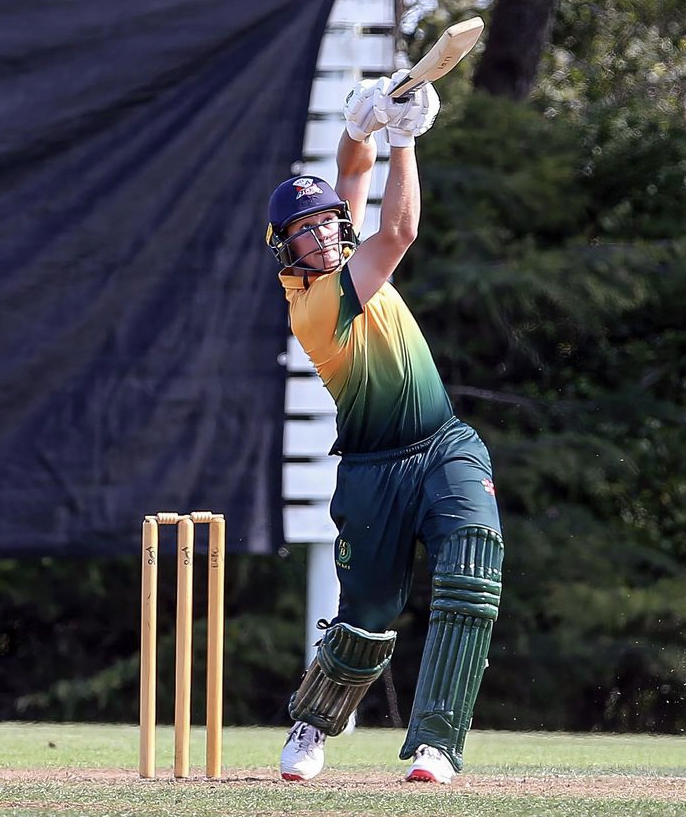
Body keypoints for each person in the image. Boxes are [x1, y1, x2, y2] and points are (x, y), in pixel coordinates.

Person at [265, 72, 504, 785]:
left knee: (471, 572)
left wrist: (360, 126)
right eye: (303, 231)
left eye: (324, 223)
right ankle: (315, 721)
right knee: (367, 614)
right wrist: (404, 138)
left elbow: (349, 176)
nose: (320, 235)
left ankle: (436, 744)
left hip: (444, 443)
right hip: (374, 469)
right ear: (285, 249)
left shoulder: (343, 255)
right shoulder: (314, 306)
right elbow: (399, 231)